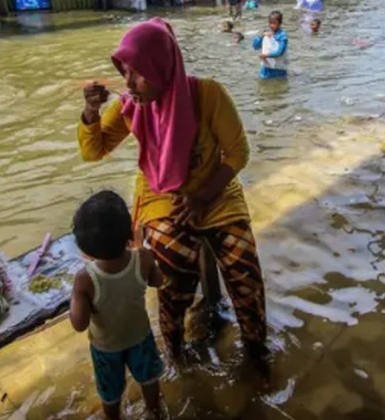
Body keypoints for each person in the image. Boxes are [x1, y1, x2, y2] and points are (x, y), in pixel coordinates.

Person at [78, 18, 268, 363]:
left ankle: (256, 350)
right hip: (160, 193)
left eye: (138, 72)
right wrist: (91, 111)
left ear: (162, 67)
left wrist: (202, 196)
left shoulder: (208, 94)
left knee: (244, 264)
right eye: (125, 73)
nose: (129, 83)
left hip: (216, 189)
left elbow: (238, 153)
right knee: (173, 263)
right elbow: (94, 150)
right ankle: (175, 350)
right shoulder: (130, 106)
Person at [70, 190, 164, 420]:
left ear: (85, 248)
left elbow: (79, 323)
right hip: (140, 337)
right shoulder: (142, 258)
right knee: (149, 379)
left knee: (110, 393)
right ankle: (154, 411)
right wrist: (141, 248)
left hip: (106, 348)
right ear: (128, 232)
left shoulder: (85, 279)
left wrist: (75, 295)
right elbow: (158, 281)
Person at [252, 11, 289, 79]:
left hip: (278, 69)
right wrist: (261, 36)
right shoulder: (266, 33)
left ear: (280, 23)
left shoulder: (282, 36)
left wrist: (266, 55)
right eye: (270, 23)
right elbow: (255, 46)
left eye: (274, 23)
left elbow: (279, 52)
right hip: (265, 68)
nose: (271, 25)